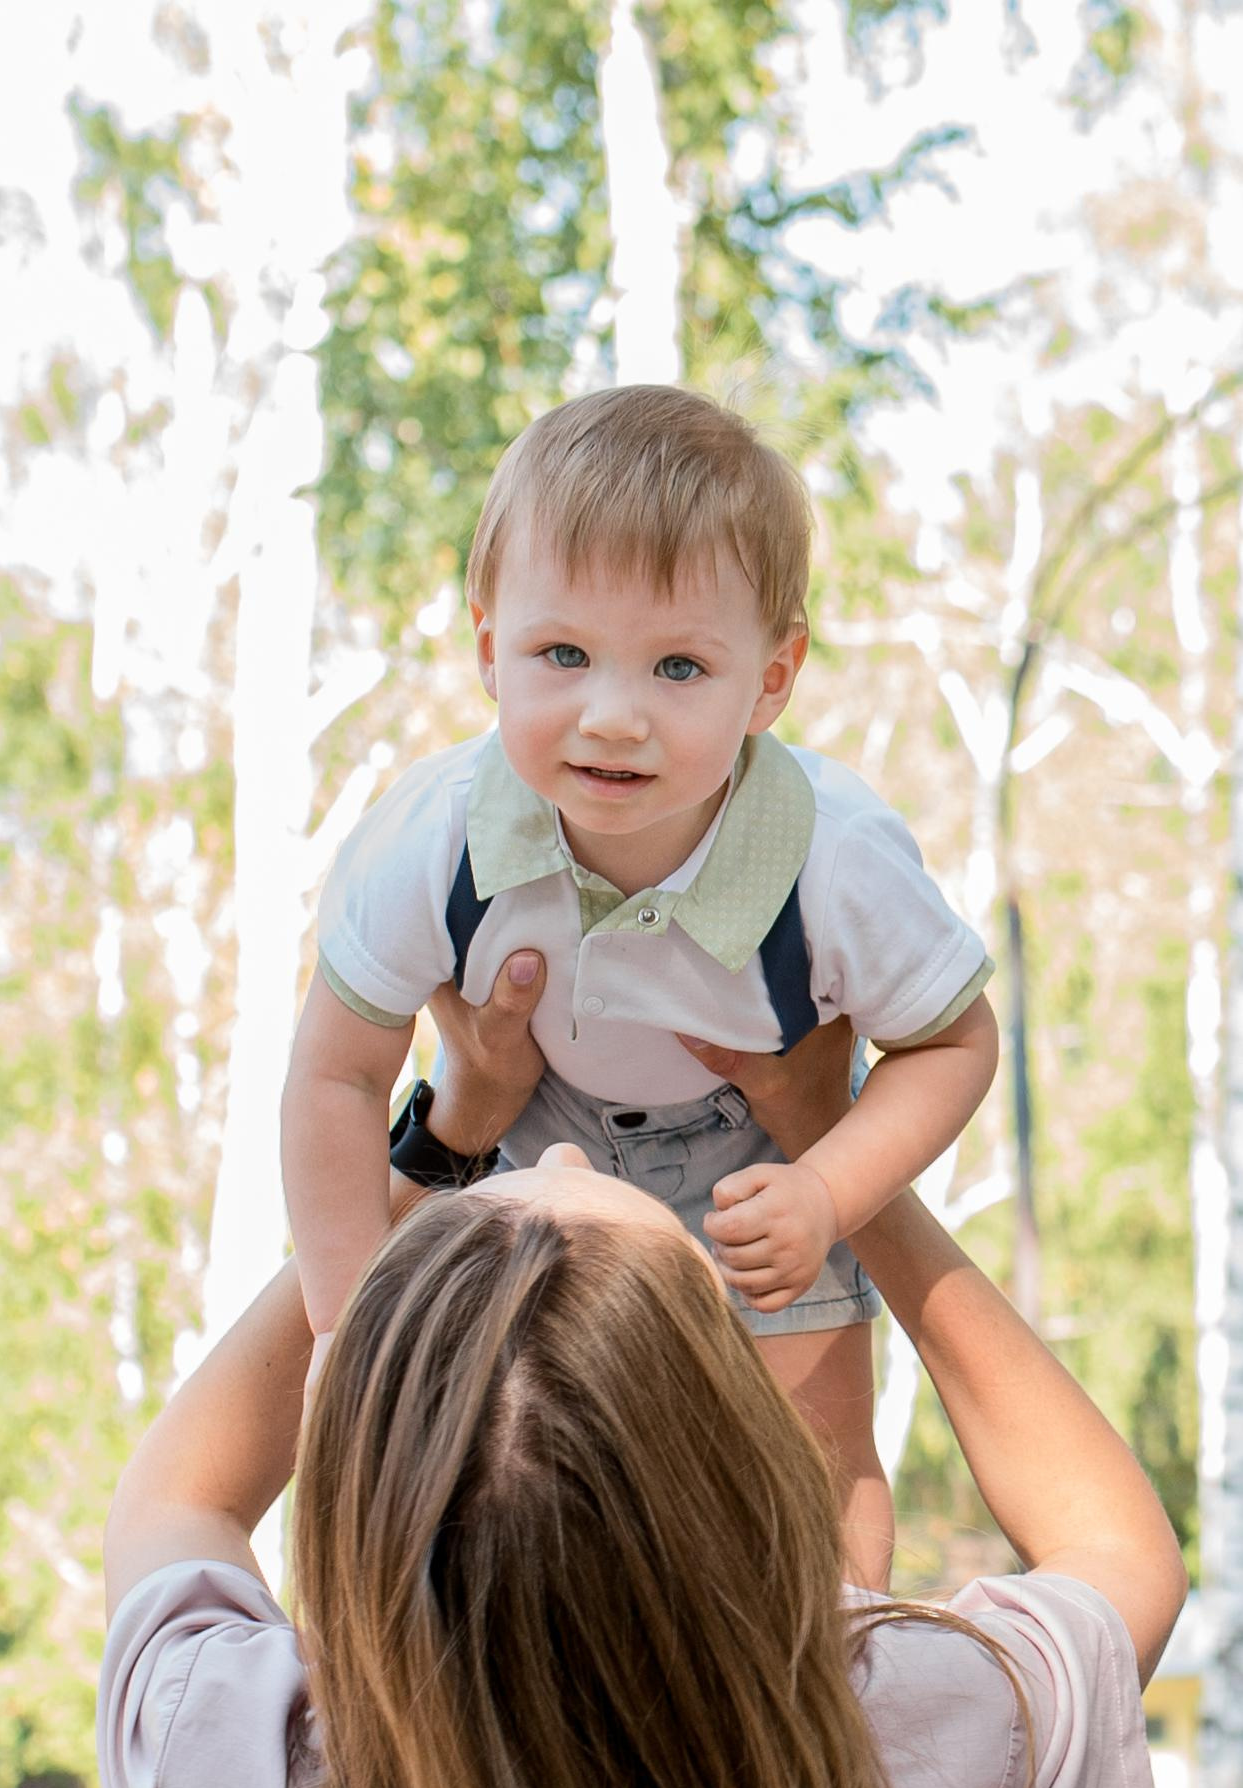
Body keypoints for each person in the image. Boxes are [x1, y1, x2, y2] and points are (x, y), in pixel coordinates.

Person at [99, 971, 1184, 1788]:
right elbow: (1111, 1546)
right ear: (738, 1447)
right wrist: (832, 1156)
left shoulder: (238, 1771)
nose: (561, 1150)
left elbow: (178, 1494)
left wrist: (448, 1137)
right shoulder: (927, 1734)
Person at [281, 383, 999, 1588]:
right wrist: (345, 1315)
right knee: (501, 1452)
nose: (611, 717)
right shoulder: (438, 836)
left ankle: (835, 1685)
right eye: (560, 654)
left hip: (756, 1147)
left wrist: (826, 1193)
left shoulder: (828, 854)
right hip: (538, 1135)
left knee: (812, 1455)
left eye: (677, 666)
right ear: (486, 654)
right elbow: (335, 1077)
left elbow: (954, 1044)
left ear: (769, 682)